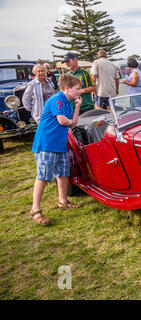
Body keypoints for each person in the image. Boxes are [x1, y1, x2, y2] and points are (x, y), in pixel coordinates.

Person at [29, 74, 83, 226]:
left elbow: (72, 124)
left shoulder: (67, 102)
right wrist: (70, 121)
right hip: (47, 144)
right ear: (67, 88)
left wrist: (77, 106)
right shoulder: (57, 99)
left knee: (63, 174)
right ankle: (35, 210)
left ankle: (63, 201)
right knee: (43, 177)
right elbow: (63, 121)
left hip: (59, 145)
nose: (80, 91)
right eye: (77, 89)